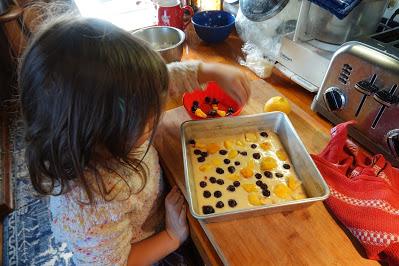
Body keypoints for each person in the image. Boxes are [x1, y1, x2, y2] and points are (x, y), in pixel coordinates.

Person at [19, 15, 250, 266]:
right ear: (97, 134)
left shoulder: (117, 116)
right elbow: (116, 263)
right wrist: (171, 236)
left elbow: (159, 83)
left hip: (146, 210)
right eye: (146, 117)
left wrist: (209, 72)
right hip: (140, 249)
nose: (158, 109)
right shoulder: (92, 206)